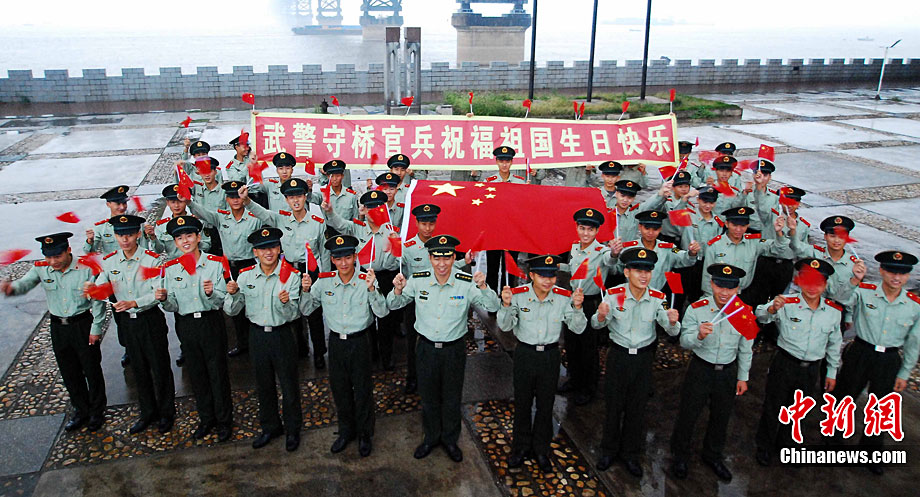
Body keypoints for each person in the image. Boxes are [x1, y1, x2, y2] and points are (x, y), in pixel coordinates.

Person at [388, 235, 500, 463]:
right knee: (428, 396)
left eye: (447, 258)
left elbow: (493, 306)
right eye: (437, 258)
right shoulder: (418, 280)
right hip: (426, 349)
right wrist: (397, 290)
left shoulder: (465, 282)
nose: (442, 264)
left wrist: (484, 286)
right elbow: (393, 304)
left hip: (453, 350)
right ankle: (430, 437)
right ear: (430, 258)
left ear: (453, 258)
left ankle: (450, 439)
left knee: (451, 396)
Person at [753, 258, 857, 466]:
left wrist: (831, 372)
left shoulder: (833, 312)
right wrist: (772, 309)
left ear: (825, 285)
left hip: (810, 368)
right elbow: (760, 315)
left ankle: (786, 445)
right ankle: (764, 446)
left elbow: (834, 344)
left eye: (818, 283)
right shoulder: (786, 302)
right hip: (784, 363)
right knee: (774, 406)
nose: (812, 288)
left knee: (798, 409)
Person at [1, 232, 107, 432]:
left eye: (57, 256)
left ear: (68, 250)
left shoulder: (86, 268)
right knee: (69, 371)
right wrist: (10, 288)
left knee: (91, 369)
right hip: (58, 327)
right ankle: (81, 410)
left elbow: (98, 301)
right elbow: (25, 283)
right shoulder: (41, 268)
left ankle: (97, 411)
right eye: (48, 257)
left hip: (82, 324)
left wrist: (96, 328)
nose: (53, 261)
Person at [591, 247, 680, 477]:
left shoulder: (658, 298)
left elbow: (669, 328)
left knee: (637, 408)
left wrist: (673, 322)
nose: (643, 276)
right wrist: (600, 315)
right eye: (638, 271)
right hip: (618, 356)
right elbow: (596, 325)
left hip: (643, 358)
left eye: (647, 271)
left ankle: (630, 454)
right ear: (627, 272)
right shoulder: (614, 294)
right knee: (613, 406)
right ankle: (608, 450)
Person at [301, 235, 389, 457]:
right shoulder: (324, 282)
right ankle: (345, 431)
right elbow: (307, 309)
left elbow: (382, 312)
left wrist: (372, 289)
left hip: (360, 341)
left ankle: (365, 434)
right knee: (340, 389)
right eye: (338, 258)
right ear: (332, 259)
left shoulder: (366, 280)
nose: (343, 263)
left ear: (355, 257)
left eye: (348, 257)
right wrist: (305, 291)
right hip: (336, 343)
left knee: (363, 390)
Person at [497, 255, 586, 472]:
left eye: (552, 276)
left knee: (546, 405)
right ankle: (520, 447)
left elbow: (577, 328)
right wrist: (506, 305)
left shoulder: (563, 297)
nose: (548, 281)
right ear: (532, 275)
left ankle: (541, 449)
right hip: (525, 354)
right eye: (543, 276)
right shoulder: (518, 296)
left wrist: (577, 308)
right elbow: (505, 326)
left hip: (550, 356)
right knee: (523, 403)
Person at [834, 250, 919, 475]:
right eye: (891, 271)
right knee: (844, 398)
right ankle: (834, 442)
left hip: (889, 359)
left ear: (908, 276)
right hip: (861, 352)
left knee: (881, 408)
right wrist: (854, 280)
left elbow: (914, 341)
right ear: (881, 271)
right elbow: (840, 298)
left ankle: (871, 452)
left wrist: (905, 372)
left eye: (902, 273)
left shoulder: (914, 305)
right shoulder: (864, 290)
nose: (896, 277)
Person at [670, 263, 753, 482]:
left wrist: (743, 377)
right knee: (688, 414)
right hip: (701, 369)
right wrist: (698, 335)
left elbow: (746, 347)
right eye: (720, 286)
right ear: (712, 284)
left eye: (730, 288)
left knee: (721, 416)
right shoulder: (697, 309)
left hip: (727, 371)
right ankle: (680, 455)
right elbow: (684, 342)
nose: (724, 292)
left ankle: (713, 455)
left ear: (737, 289)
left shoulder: (743, 311)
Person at [154, 216, 233, 442]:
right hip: (186, 325)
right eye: (180, 238)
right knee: (197, 374)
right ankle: (206, 419)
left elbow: (223, 300)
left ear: (198, 237)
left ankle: (224, 420)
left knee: (217, 373)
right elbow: (173, 306)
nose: (185, 241)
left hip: (211, 322)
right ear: (175, 243)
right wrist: (164, 300)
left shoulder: (215, 263)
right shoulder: (170, 269)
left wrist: (211, 293)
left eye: (189, 235)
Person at [225, 228, 303, 452]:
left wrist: (285, 303)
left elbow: (294, 315)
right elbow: (232, 311)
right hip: (257, 335)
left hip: (282, 335)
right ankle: (270, 427)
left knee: (289, 385)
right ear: (255, 252)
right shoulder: (245, 276)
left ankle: (293, 429)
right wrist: (232, 294)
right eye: (262, 248)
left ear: (279, 249)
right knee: (263, 385)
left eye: (272, 247)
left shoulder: (291, 276)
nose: (268, 252)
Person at [96, 215, 175, 434]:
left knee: (159, 367)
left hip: (149, 319)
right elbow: (101, 284)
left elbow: (158, 292)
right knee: (138, 368)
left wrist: (134, 303)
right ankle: (147, 412)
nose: (125, 240)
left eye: (129, 235)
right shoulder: (110, 261)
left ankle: (167, 413)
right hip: (127, 323)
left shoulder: (151, 260)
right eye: (120, 235)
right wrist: (94, 289)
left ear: (138, 234)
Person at [242, 179, 328, 368]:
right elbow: (262, 213)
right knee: (291, 309)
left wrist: (326, 278)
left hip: (310, 270)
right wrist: (247, 201)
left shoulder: (317, 223)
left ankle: (319, 352)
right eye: (291, 197)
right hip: (288, 271)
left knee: (314, 313)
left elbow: (324, 252)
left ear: (305, 197)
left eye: (299, 196)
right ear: (286, 200)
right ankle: (300, 349)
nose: (295, 201)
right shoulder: (280, 219)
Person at [325, 190, 402, 370]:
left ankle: (387, 356)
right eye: (370, 208)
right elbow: (340, 224)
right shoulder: (357, 227)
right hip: (363, 277)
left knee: (386, 319)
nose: (374, 212)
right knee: (366, 316)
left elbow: (397, 261)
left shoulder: (392, 231)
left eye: (378, 208)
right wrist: (330, 211)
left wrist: (394, 246)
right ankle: (371, 353)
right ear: (364, 210)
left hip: (385, 277)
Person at [399, 204, 472, 394]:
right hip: (416, 299)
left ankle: (434, 377)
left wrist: (464, 262)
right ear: (416, 223)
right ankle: (413, 377)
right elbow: (397, 266)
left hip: (438, 299)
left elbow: (447, 267)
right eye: (424, 224)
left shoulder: (440, 244)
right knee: (413, 341)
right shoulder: (407, 247)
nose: (427, 228)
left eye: (431, 224)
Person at [187, 180, 263, 357]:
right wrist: (189, 202)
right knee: (234, 306)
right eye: (231, 197)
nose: (235, 200)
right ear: (226, 199)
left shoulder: (254, 218)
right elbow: (204, 213)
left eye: (238, 196)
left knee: (252, 304)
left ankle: (256, 343)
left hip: (249, 266)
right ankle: (242, 343)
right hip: (230, 268)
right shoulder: (221, 217)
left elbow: (269, 218)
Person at [558, 207, 618, 406]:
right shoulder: (575, 247)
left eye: (590, 230)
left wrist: (615, 252)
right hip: (573, 300)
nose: (585, 233)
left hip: (590, 302)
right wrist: (559, 266)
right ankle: (574, 379)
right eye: (582, 228)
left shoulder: (601, 251)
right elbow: (573, 268)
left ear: (597, 231)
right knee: (571, 343)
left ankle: (588, 387)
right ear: (577, 228)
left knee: (587, 347)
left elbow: (610, 259)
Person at [85, 184, 146, 367]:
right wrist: (89, 241)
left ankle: (144, 345)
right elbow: (90, 251)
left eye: (124, 203)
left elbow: (144, 249)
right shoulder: (101, 228)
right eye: (117, 204)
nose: (121, 207)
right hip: (114, 276)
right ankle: (128, 347)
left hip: (135, 274)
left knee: (141, 310)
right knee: (121, 315)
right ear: (108, 204)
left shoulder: (135, 224)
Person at [702, 207, 790, 303]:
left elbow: (778, 248)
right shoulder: (715, 245)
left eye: (743, 226)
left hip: (745, 295)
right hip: (721, 295)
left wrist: (779, 232)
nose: (738, 229)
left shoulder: (753, 242)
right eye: (734, 225)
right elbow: (707, 277)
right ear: (727, 224)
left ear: (748, 225)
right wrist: (711, 300)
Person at [613, 210, 700, 293]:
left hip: (657, 295)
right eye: (647, 228)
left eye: (655, 229)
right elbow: (615, 269)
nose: (651, 232)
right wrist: (613, 254)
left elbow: (685, 259)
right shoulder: (629, 248)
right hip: (631, 294)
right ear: (640, 227)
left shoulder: (668, 248)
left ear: (660, 229)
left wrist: (692, 253)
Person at [484, 146, 526, 291]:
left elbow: (524, 207)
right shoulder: (489, 182)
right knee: (492, 267)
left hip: (513, 231)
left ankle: (507, 297)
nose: (504, 164)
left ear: (511, 162)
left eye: (507, 161)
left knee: (510, 267)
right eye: (501, 161)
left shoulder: (520, 182)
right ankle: (491, 298)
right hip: (494, 231)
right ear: (496, 162)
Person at [147, 184, 212, 260]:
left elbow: (207, 245)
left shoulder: (196, 222)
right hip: (174, 263)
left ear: (186, 201)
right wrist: (153, 237)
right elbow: (159, 250)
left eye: (180, 201)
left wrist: (194, 242)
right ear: (167, 203)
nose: (176, 205)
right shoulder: (162, 225)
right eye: (173, 202)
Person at [309, 160, 359, 232]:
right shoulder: (323, 193)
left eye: (337, 176)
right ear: (327, 176)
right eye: (331, 176)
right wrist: (309, 190)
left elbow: (356, 218)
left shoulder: (351, 195)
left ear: (342, 176)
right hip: (329, 232)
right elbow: (310, 198)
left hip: (346, 231)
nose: (334, 179)